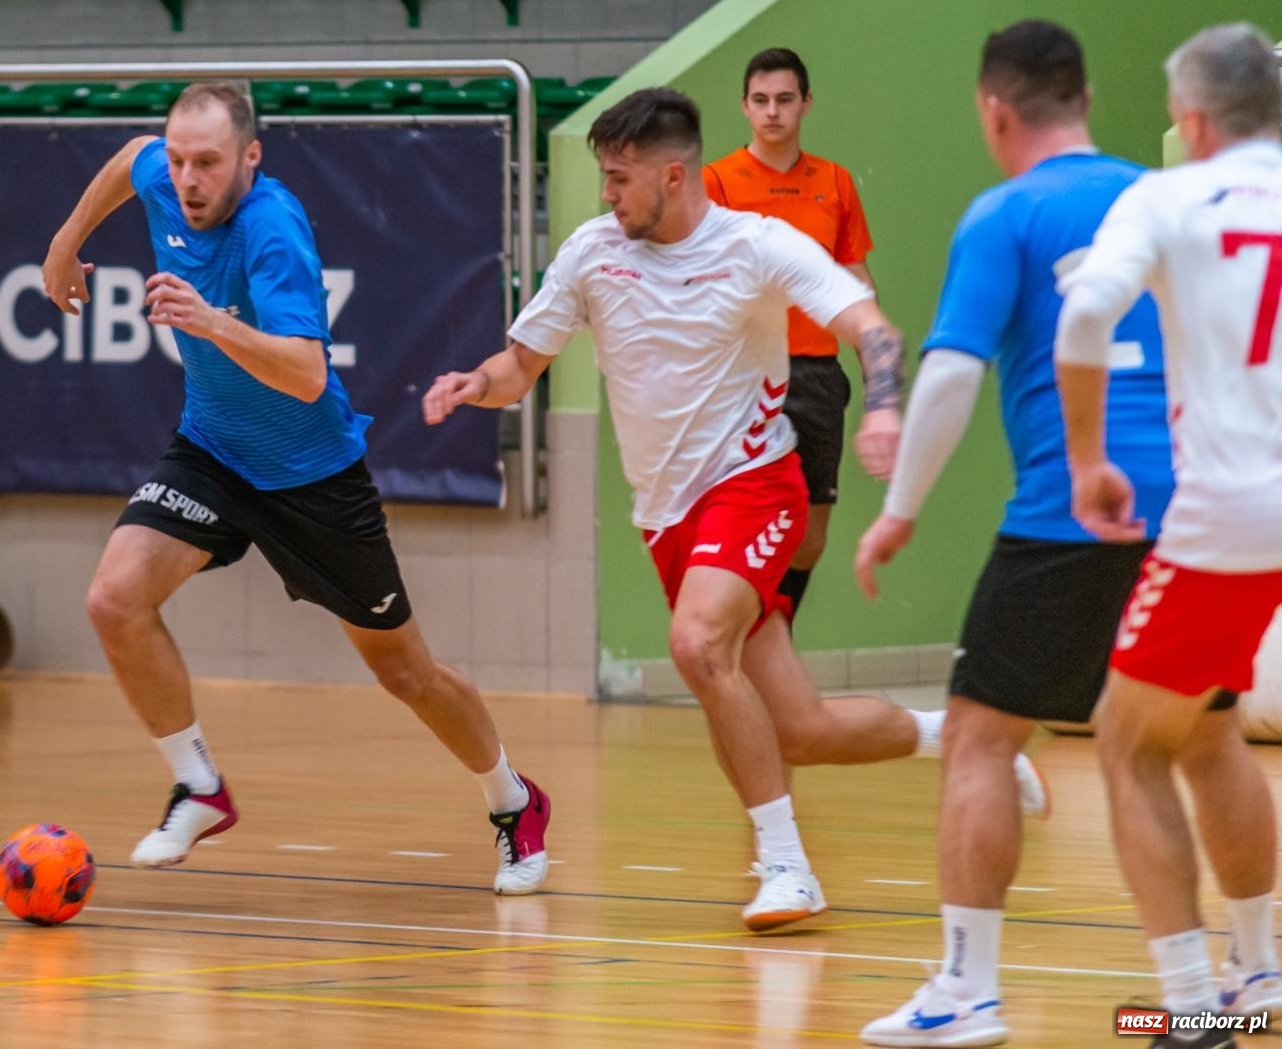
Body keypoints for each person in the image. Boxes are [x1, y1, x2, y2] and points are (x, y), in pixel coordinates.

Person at [423, 87, 1044, 932]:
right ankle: (968, 738)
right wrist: (474, 386)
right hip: (667, 515)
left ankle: (786, 865)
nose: (607, 194)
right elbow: (520, 365)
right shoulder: (590, 254)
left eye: (618, 178)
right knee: (800, 728)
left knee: (695, 643)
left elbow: (877, 333)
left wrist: (889, 405)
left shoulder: (756, 247)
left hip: (755, 481)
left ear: (671, 177)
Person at [40, 82, 551, 895]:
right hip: (211, 450)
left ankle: (513, 801)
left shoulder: (272, 229)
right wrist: (65, 246)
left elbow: (308, 375)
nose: (186, 179)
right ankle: (199, 786)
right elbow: (125, 159)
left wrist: (211, 320)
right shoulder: (159, 172)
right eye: (178, 161)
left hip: (311, 477)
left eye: (206, 163)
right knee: (114, 599)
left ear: (250, 157)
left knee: (405, 672)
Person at [853, 20, 1181, 1047]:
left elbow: (949, 373)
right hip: (1193, 511)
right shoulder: (1160, 200)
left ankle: (965, 991)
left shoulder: (1005, 212)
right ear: (1082, 97)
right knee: (1200, 744)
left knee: (982, 737)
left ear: (995, 111)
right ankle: (1227, 981)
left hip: (1070, 512)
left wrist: (899, 509)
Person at [1055, 23, 1282, 1049]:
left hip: (1233, 513)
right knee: (1203, 723)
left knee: (1125, 737)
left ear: (1190, 120)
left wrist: (1088, 458)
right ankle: (1258, 972)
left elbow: (1084, 316)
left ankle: (1191, 1009)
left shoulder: (1163, 194)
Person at [704, 47, 876, 617]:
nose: (772, 112)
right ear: (744, 106)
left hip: (819, 376)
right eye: (760, 100)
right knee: (749, 522)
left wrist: (881, 386)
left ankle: (777, 636)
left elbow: (856, 282)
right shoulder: (716, 182)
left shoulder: (834, 181)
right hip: (747, 378)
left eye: (784, 99)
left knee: (807, 537)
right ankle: (748, 648)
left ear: (806, 103)